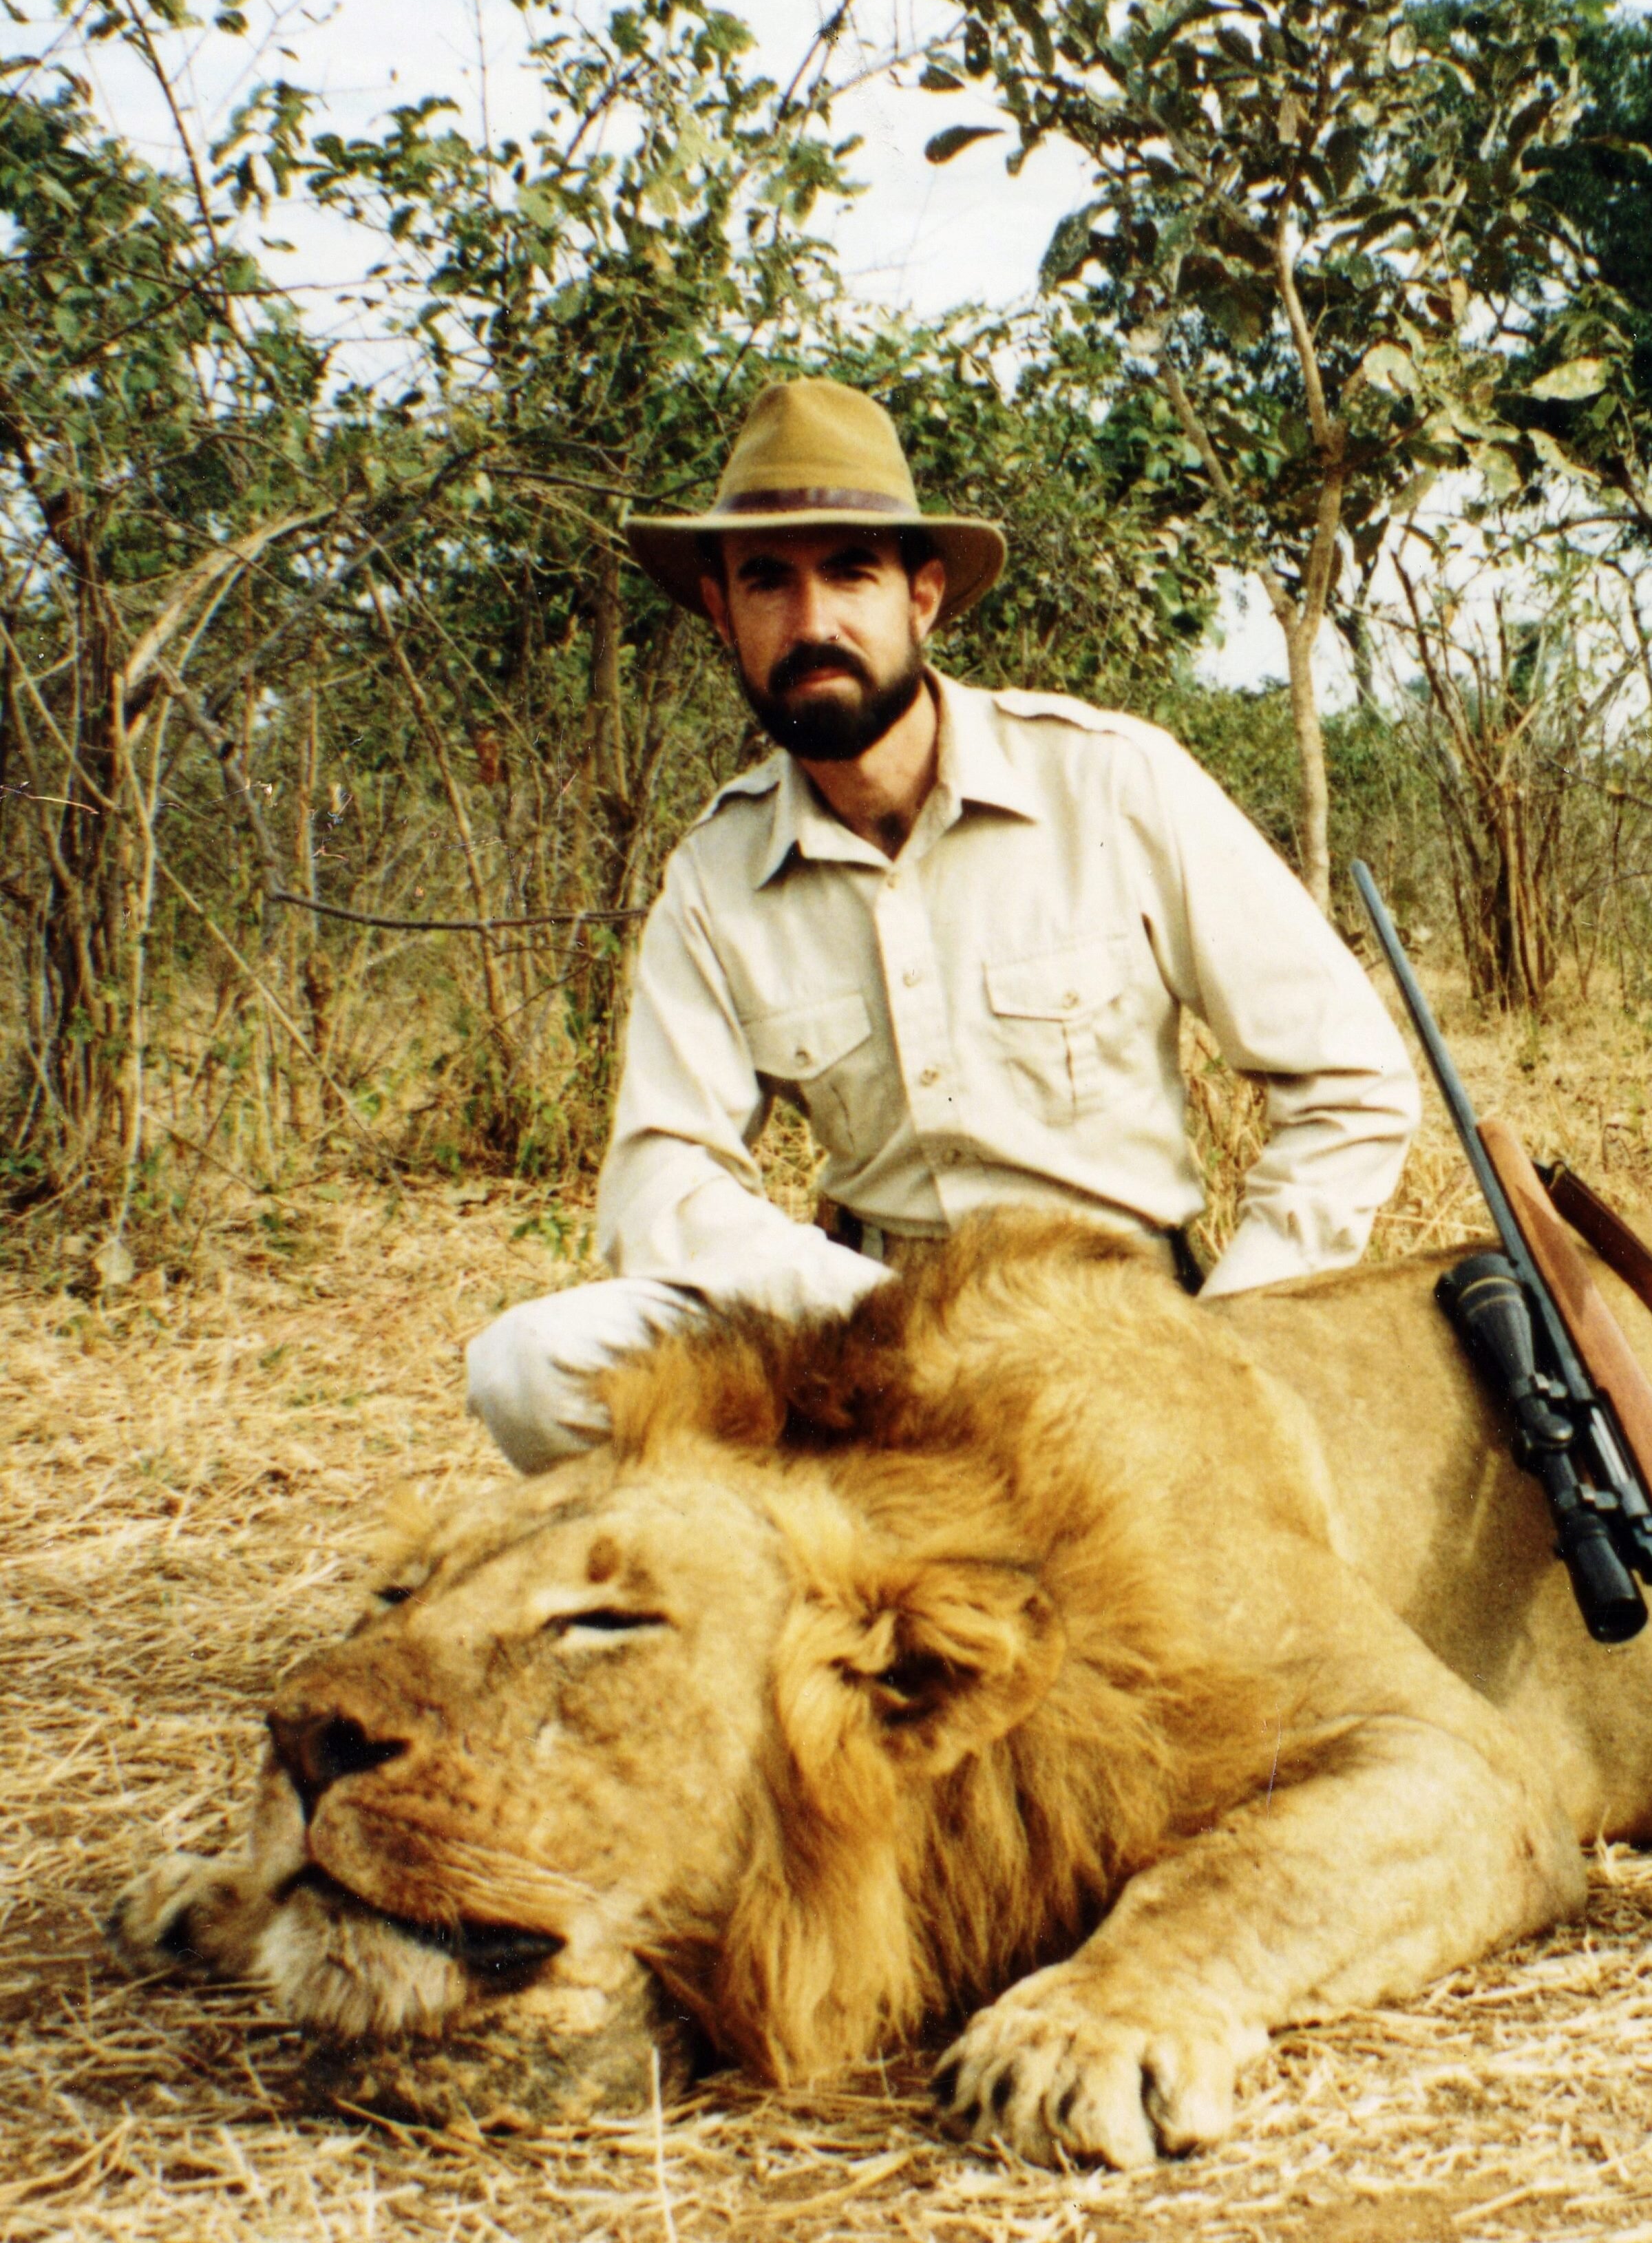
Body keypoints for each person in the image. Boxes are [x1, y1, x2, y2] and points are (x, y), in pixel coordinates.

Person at [465, 379, 1417, 1472]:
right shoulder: (715, 874)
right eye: (768, 582)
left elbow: (1352, 1082)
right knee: (529, 1366)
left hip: (1111, 1332)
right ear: (722, 615)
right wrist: (869, 1310)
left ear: (920, 596)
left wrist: (1227, 1342)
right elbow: (658, 1182)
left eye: (850, 573)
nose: (812, 622)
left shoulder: (1110, 780)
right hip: (864, 1342)